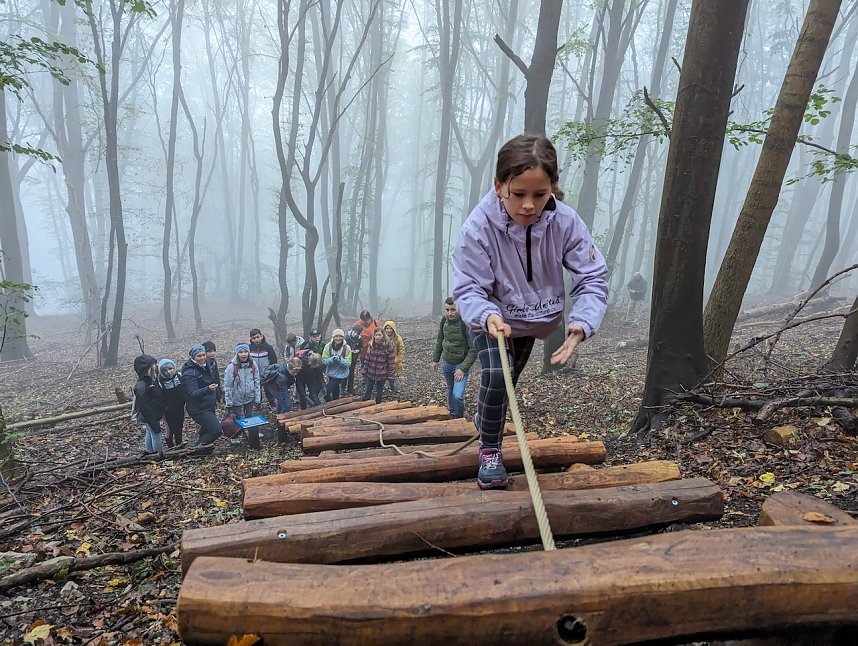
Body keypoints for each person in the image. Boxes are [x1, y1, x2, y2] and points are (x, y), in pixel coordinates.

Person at [452, 134, 608, 490]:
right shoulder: (478, 228)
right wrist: (486, 316)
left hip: (533, 320)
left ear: (552, 187)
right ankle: (490, 452)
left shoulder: (565, 223)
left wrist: (582, 324)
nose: (528, 205)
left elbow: (592, 276)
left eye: (540, 195)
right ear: (499, 186)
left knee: (503, 388)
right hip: (490, 317)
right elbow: (468, 286)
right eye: (518, 193)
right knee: (498, 375)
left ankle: (485, 418)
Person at [432, 297, 477, 419]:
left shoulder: (465, 324)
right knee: (451, 390)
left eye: (453, 310)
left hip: (460, 365)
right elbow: (440, 340)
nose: (450, 313)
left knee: (457, 395)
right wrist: (435, 359)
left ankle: (459, 418)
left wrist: (462, 369)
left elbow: (474, 349)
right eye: (447, 310)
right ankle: (451, 414)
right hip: (447, 363)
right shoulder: (444, 321)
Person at [181, 344, 222, 446]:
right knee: (216, 430)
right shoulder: (189, 373)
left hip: (208, 404)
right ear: (193, 357)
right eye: (199, 356)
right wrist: (208, 389)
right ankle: (196, 449)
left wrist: (218, 396)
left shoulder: (207, 365)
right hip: (198, 408)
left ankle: (203, 451)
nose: (202, 358)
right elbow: (192, 393)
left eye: (204, 355)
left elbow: (213, 380)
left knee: (207, 429)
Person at [132, 354, 166, 454]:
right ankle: (158, 455)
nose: (155, 366)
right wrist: (152, 421)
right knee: (156, 434)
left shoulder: (151, 380)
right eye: (153, 365)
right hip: (150, 416)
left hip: (154, 414)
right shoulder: (142, 386)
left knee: (150, 433)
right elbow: (144, 407)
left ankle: (150, 452)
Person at [224, 343, 261, 419]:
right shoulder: (232, 367)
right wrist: (229, 402)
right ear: (237, 353)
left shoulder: (253, 364)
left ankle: (250, 426)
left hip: (250, 397)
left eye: (245, 352)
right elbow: (228, 386)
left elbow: (257, 381)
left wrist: (257, 398)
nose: (243, 354)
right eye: (241, 352)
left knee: (250, 417)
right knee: (237, 419)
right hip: (236, 398)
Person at [157, 358, 186, 448]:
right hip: (168, 411)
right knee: (170, 429)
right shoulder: (160, 382)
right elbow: (159, 398)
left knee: (179, 426)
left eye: (170, 369)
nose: (168, 372)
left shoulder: (179, 376)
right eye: (165, 370)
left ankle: (179, 443)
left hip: (180, 407)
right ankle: (170, 446)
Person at [361, 327, 394, 404]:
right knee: (368, 388)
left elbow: (391, 363)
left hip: (382, 373)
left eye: (379, 335)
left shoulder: (388, 346)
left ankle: (378, 403)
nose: (377, 337)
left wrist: (390, 375)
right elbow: (367, 359)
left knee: (379, 389)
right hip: (371, 371)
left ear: (383, 335)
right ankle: (366, 402)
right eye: (376, 335)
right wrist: (364, 370)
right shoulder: (371, 344)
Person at [249, 328, 278, 408]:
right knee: (256, 388)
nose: (256, 339)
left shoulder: (268, 347)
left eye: (257, 337)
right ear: (251, 339)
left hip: (266, 373)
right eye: (254, 338)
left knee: (268, 388)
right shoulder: (249, 348)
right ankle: (257, 403)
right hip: (254, 373)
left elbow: (273, 360)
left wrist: (270, 370)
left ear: (261, 336)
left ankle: (272, 402)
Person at [322, 328, 352, 401]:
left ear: (343, 337)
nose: (338, 338)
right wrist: (332, 359)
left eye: (340, 336)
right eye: (336, 336)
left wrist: (340, 360)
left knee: (326, 391)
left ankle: (330, 403)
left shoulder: (347, 348)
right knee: (335, 389)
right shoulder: (328, 346)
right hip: (331, 372)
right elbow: (324, 360)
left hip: (341, 373)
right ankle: (335, 402)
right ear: (333, 337)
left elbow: (348, 363)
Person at [382, 320, 405, 395]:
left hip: (393, 360)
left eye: (390, 329)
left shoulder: (397, 338)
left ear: (393, 329)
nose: (388, 330)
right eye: (387, 328)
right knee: (382, 374)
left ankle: (392, 388)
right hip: (383, 359)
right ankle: (380, 387)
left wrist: (398, 359)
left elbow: (401, 349)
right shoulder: (382, 337)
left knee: (391, 375)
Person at [202, 341, 223, 405]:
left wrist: (219, 392)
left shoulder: (213, 362)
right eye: (210, 351)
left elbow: (216, 378)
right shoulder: (203, 364)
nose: (212, 353)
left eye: (214, 351)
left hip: (214, 388)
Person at [344, 325, 364, 395]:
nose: (355, 334)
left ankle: (350, 388)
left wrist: (358, 350)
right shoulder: (346, 338)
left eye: (357, 333)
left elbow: (361, 346)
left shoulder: (360, 339)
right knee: (344, 372)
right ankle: (343, 387)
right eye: (354, 332)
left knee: (351, 373)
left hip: (354, 358)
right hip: (345, 358)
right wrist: (349, 351)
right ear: (352, 330)